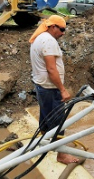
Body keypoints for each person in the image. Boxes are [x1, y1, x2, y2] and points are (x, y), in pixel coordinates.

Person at [29, 15, 79, 165]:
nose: (63, 33)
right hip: (50, 88)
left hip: (42, 85)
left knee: (45, 114)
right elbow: (51, 69)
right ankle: (62, 155)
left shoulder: (40, 38)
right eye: (61, 29)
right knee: (58, 121)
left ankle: (45, 141)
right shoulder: (49, 41)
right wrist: (62, 89)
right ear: (52, 27)